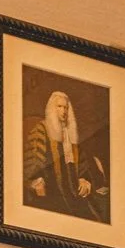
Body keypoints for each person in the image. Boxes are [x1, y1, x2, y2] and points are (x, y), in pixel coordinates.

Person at [23, 89, 108, 221]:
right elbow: (33, 165)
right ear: (52, 108)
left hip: (74, 191)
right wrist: (36, 182)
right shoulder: (41, 129)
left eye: (66, 107)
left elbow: (82, 165)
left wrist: (83, 179)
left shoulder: (70, 133)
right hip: (52, 191)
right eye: (59, 107)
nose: (64, 111)